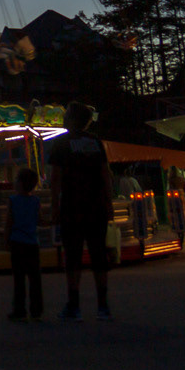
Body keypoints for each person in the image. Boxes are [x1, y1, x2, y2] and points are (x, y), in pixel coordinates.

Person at [48, 102, 114, 321]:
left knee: (73, 255)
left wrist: (54, 206)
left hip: (72, 205)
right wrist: (108, 202)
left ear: (72, 119)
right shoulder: (95, 142)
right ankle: (103, 306)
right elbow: (105, 174)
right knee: (98, 254)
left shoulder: (60, 143)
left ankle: (74, 305)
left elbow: (55, 178)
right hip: (96, 206)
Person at [4, 167, 44, 322]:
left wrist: (5, 240)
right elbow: (40, 220)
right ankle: (36, 310)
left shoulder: (13, 201)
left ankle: (19, 309)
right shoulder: (35, 201)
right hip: (32, 243)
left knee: (19, 278)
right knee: (35, 279)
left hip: (17, 242)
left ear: (20, 183)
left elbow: (9, 222)